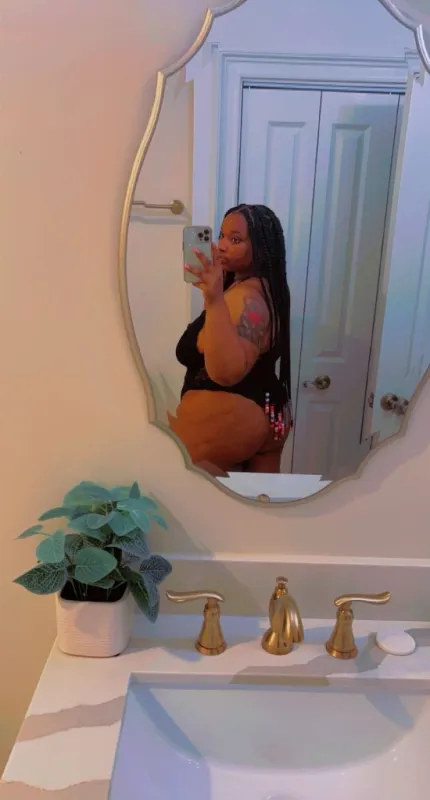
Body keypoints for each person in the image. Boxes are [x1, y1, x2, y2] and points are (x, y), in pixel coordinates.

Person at [168, 203, 292, 477]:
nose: (222, 245)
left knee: (203, 496)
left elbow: (226, 372)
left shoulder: (246, 298)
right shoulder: (266, 291)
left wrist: (213, 299)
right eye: (221, 236)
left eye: (235, 240)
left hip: (232, 418)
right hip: (271, 412)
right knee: (260, 499)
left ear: (261, 248)